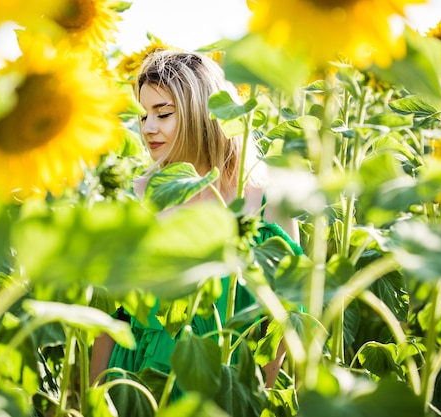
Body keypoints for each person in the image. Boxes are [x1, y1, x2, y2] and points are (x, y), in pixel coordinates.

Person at [90, 50, 300, 392]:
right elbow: (110, 318)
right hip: (139, 389)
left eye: (164, 113)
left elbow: (280, 322)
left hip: (231, 389)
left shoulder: (266, 200)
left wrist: (259, 398)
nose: (148, 128)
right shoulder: (139, 198)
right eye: (144, 116)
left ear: (202, 113)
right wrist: (92, 400)